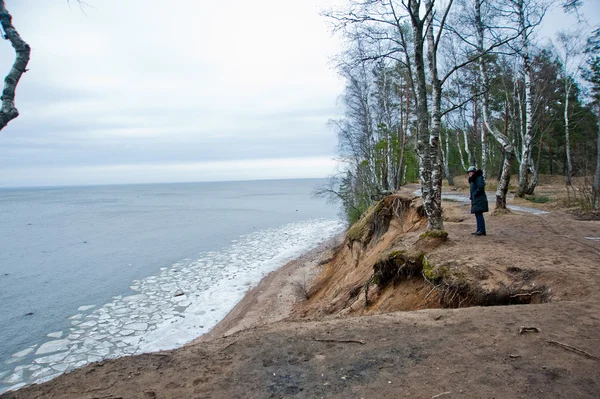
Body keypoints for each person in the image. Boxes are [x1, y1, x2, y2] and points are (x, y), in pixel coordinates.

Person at [467, 166, 488, 236]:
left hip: (479, 199)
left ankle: (481, 230)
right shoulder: (474, 179)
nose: (470, 174)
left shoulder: (478, 178)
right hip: (476, 199)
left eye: (471, 172)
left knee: (479, 214)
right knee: (477, 214)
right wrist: (472, 196)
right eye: (469, 173)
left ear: (474, 172)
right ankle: (479, 230)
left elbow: (480, 187)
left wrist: (474, 194)